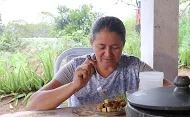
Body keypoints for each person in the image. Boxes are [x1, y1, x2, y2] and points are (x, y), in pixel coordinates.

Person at [26, 16, 171, 111]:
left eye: (115, 47)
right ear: (91, 43)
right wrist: (74, 85)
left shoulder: (134, 67)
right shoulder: (76, 66)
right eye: (101, 47)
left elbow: (172, 92)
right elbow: (33, 105)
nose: (108, 54)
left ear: (123, 45)